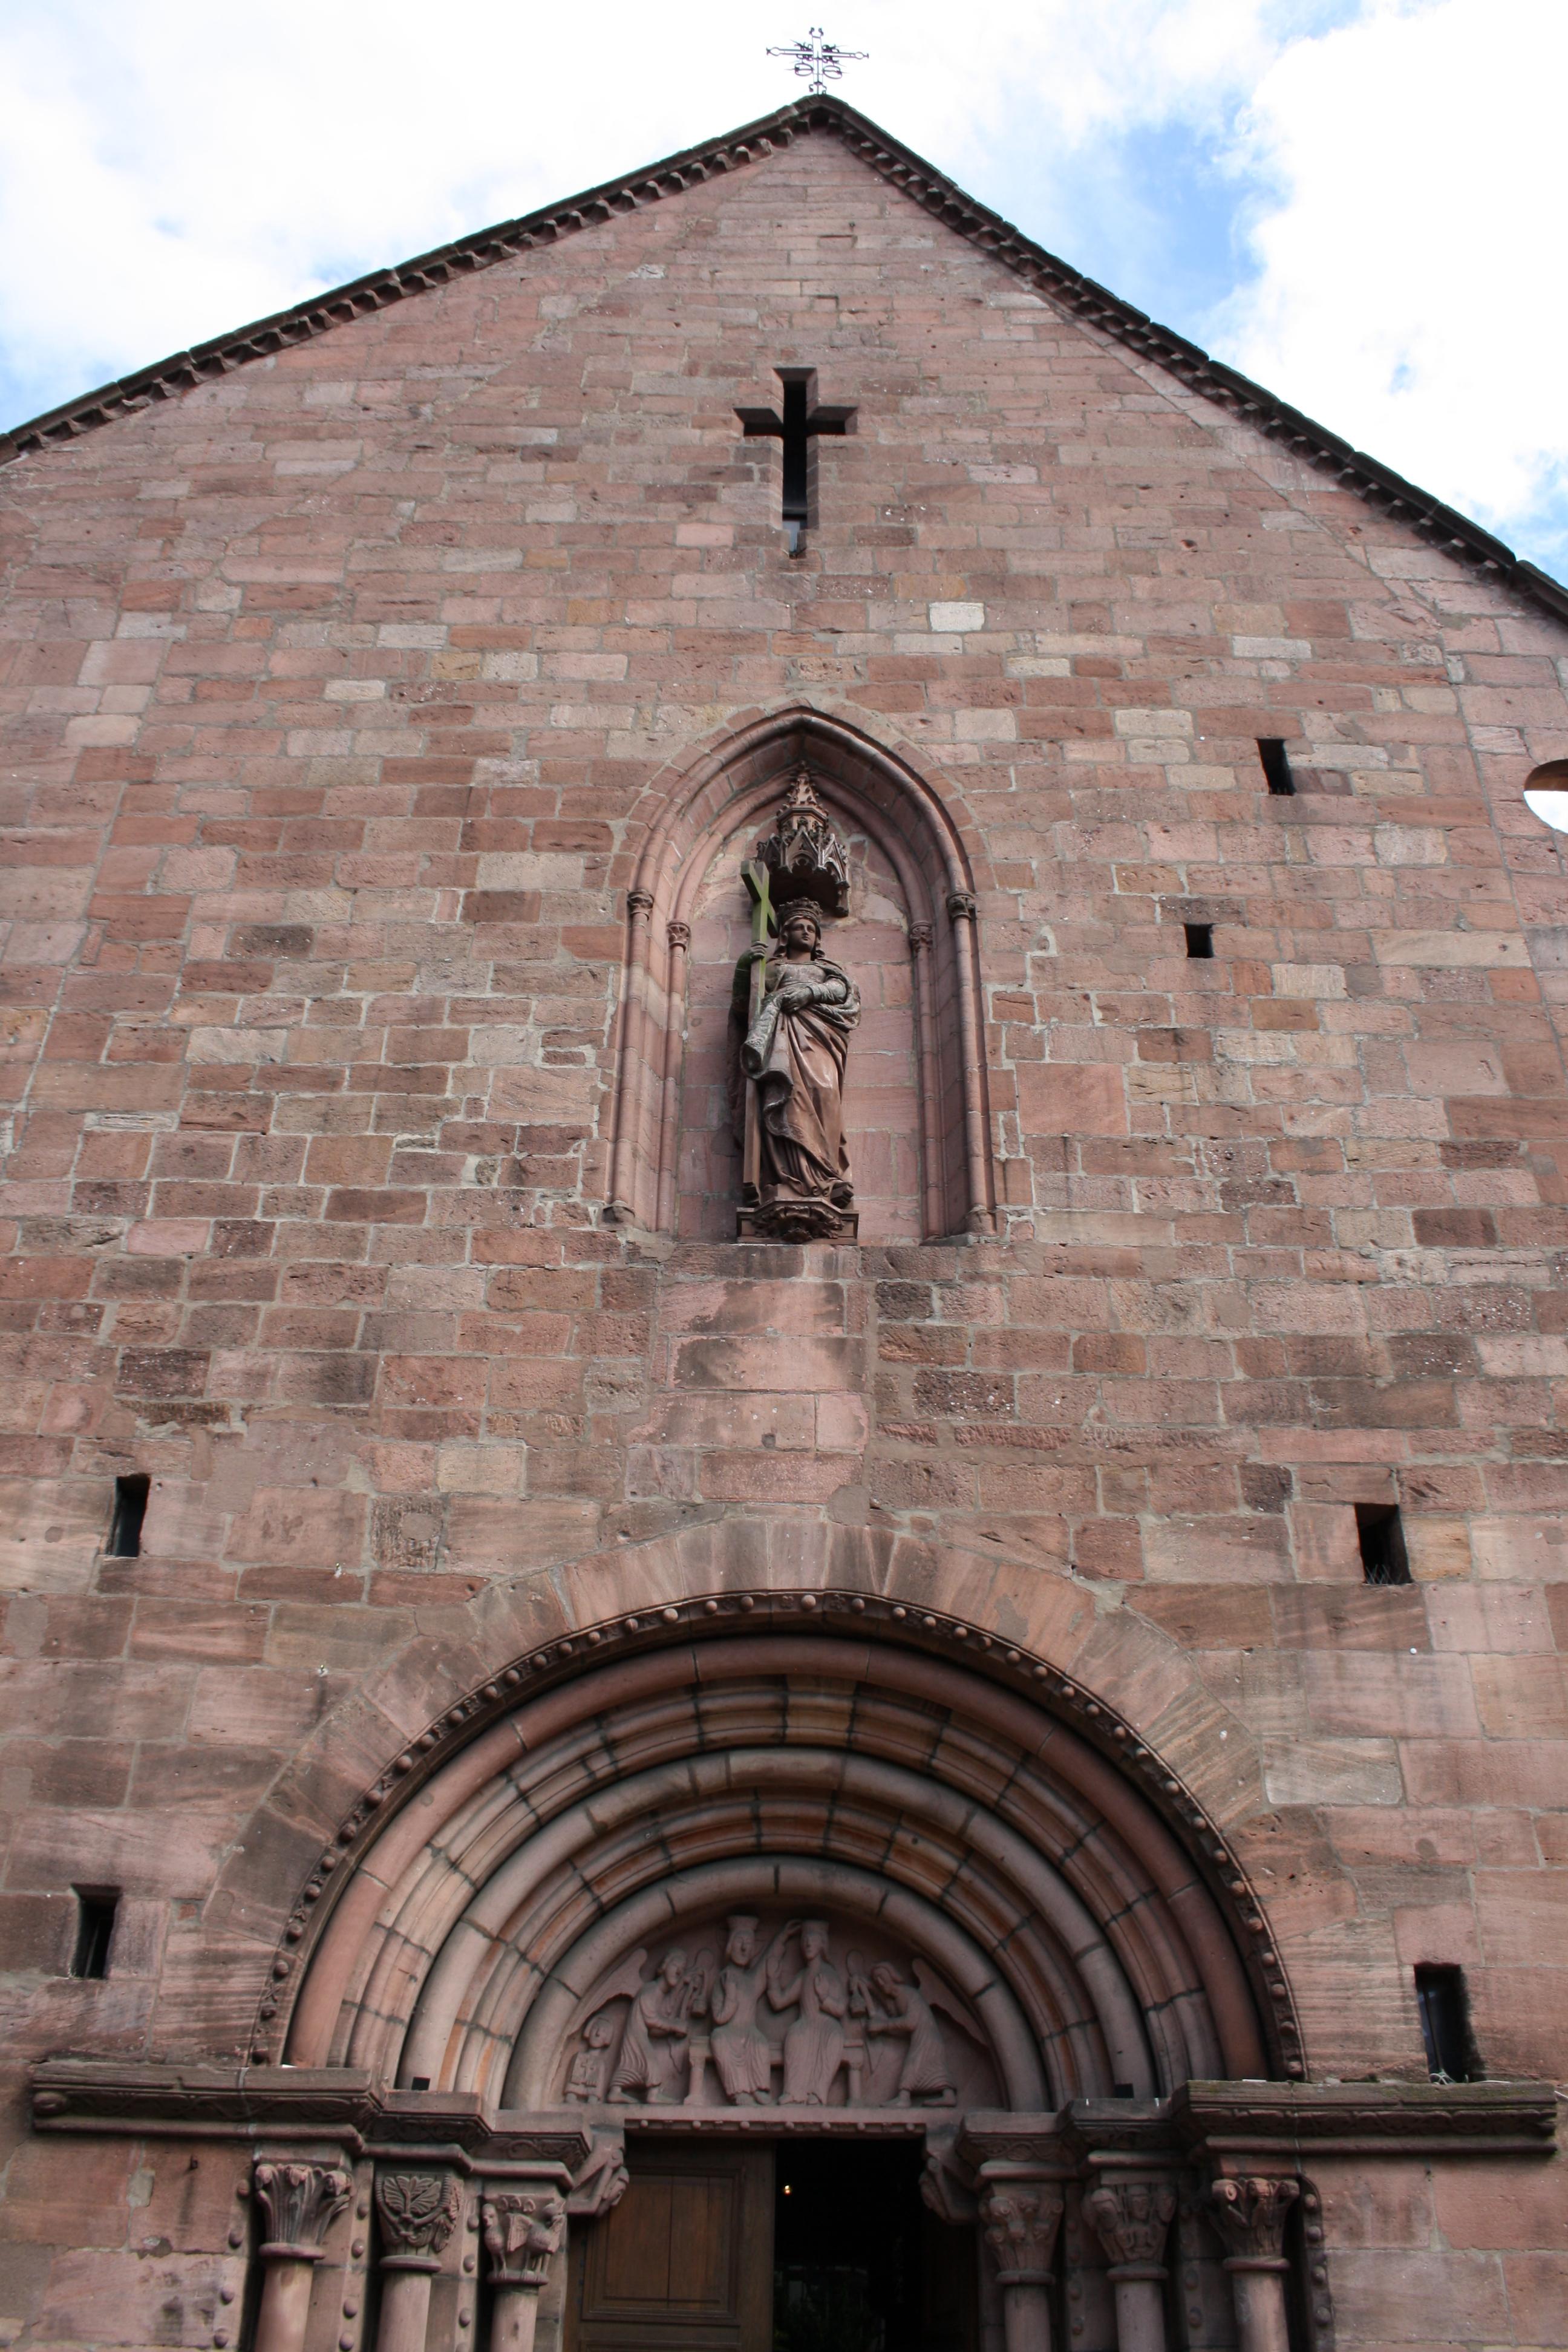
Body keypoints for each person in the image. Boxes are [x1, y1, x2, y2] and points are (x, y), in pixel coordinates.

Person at [737, 900, 859, 1229]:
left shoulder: (826, 971)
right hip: (782, 1040)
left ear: (817, 937)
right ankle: (788, 1178)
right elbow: (744, 1004)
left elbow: (843, 992)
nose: (805, 932)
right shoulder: (774, 969)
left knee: (825, 1094)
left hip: (820, 1039)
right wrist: (746, 966)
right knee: (787, 1099)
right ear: (785, 934)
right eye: (798, 927)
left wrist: (809, 993)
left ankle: (826, 1175)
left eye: (811, 928)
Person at [710, 1914, 793, 2103]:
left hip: (750, 2033)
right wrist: (731, 1996)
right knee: (719, 2040)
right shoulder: (724, 1978)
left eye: (749, 1942)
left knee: (760, 2044)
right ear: (730, 1945)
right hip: (727, 2032)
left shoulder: (749, 1980)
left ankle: (758, 2089)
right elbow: (719, 2019)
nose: (744, 1947)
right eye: (740, 1941)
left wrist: (782, 1937)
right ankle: (739, 2092)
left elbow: (765, 1965)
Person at [769, 1919, 846, 2105]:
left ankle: (819, 2094)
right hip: (805, 2023)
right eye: (805, 1940)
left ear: (822, 1944)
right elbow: (779, 2002)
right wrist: (772, 1979)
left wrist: (824, 1997)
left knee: (834, 2038)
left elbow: (841, 2009)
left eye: (813, 1939)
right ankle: (793, 2092)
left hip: (826, 2026)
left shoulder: (829, 1973)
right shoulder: (804, 1976)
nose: (808, 1944)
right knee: (795, 2035)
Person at [609, 1948, 691, 2104]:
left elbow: (654, 2029)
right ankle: (652, 2095)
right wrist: (673, 2026)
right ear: (664, 1966)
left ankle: (616, 2091)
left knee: (631, 2064)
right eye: (676, 1965)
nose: (679, 1971)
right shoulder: (650, 1989)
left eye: (683, 1969)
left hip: (640, 2034)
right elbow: (651, 2019)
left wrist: (672, 2027)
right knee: (650, 2063)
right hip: (636, 2034)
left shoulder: (659, 1994)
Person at [867, 1962, 954, 2105]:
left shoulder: (907, 1993)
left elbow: (910, 2023)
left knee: (914, 2065)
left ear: (892, 1976)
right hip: (924, 2038)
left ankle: (904, 2098)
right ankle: (948, 2095)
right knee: (934, 2067)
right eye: (877, 1981)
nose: (881, 1983)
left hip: (926, 2038)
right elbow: (900, 2026)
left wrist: (883, 2025)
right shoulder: (897, 1997)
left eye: (882, 1977)